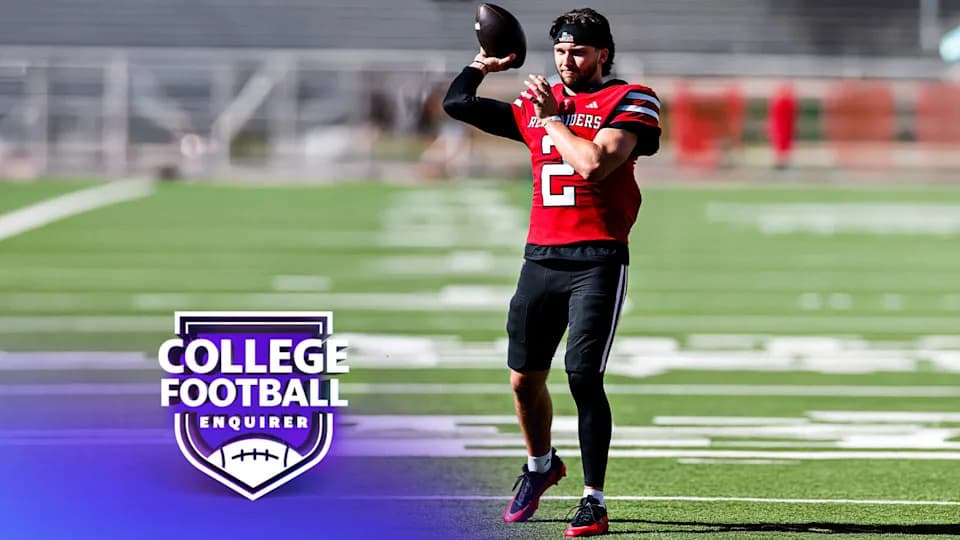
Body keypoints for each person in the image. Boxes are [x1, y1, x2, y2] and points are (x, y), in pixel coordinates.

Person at [443, 7, 660, 538]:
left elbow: (593, 164)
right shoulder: (544, 102)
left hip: (598, 258)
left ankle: (594, 499)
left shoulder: (631, 98)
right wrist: (482, 64)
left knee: (583, 375)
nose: (567, 61)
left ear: (603, 53)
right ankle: (541, 466)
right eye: (560, 51)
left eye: (578, 51)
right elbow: (458, 104)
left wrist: (550, 120)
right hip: (540, 256)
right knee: (523, 380)